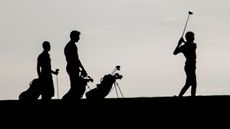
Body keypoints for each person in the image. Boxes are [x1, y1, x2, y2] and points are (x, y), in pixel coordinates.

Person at [173, 31, 197, 97]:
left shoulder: (190, 45)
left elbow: (175, 52)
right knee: (193, 84)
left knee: (188, 83)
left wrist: (180, 43)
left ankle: (179, 97)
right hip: (190, 66)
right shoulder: (192, 45)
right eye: (193, 37)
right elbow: (174, 53)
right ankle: (191, 97)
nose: (194, 38)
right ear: (190, 38)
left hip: (189, 66)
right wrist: (179, 43)